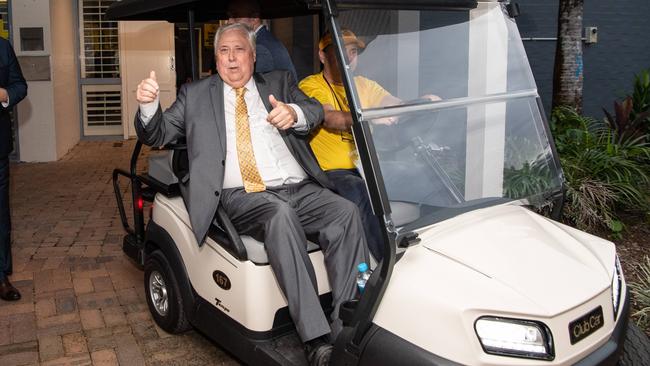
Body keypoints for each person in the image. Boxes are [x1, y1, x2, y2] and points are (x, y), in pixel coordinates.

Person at [135, 23, 368, 366]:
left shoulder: (279, 83)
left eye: (239, 50)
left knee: (346, 212)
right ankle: (317, 339)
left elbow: (315, 110)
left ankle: (345, 324)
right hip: (241, 194)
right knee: (278, 215)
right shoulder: (196, 95)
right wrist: (148, 106)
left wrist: (296, 113)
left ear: (254, 57)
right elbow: (157, 133)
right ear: (215, 59)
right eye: (223, 52)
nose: (231, 59)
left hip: (298, 188)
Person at [299, 30, 447, 262]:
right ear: (322, 56)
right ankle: (388, 267)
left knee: (428, 179)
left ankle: (438, 255)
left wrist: (421, 103)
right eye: (339, 52)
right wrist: (367, 117)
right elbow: (329, 117)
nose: (349, 58)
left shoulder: (364, 85)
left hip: (366, 166)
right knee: (361, 191)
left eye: (353, 51)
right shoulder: (311, 85)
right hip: (331, 173)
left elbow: (393, 105)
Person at [0, 37, 27, 302]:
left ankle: (1, 277)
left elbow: (20, 85)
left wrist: (5, 95)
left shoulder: (2, 46)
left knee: (1, 216)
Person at [227, 0, 298, 81]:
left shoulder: (260, 48)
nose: (229, 21)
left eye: (235, 16)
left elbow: (253, 87)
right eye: (229, 16)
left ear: (254, 18)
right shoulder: (264, 41)